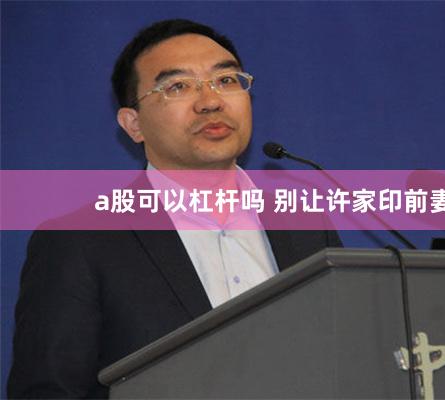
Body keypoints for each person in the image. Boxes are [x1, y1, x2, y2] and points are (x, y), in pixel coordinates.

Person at [7, 19, 341, 399]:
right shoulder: (79, 242)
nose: (211, 101)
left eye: (226, 80)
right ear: (133, 125)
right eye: (178, 86)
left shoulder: (306, 224)